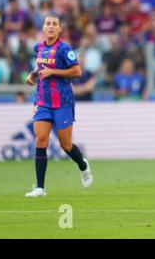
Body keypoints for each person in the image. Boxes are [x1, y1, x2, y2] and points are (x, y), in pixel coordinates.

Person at [24, 16, 93, 197]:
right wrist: (33, 75)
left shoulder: (64, 49)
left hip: (62, 102)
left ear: (59, 29)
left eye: (55, 24)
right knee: (40, 140)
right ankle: (40, 188)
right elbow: (41, 68)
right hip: (42, 101)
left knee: (66, 144)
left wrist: (53, 71)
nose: (51, 27)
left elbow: (77, 72)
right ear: (44, 28)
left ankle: (83, 165)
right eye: (48, 24)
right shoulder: (37, 47)